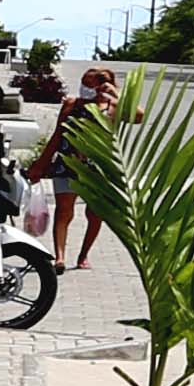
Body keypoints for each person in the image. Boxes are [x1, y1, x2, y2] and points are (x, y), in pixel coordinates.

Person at [31, 63, 122, 258]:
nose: (84, 88)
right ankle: (60, 257)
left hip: (98, 169)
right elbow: (57, 135)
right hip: (67, 164)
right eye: (83, 83)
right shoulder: (72, 104)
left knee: (95, 214)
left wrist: (116, 94)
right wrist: (41, 164)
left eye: (89, 84)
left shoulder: (112, 107)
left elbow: (139, 115)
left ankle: (83, 255)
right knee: (64, 211)